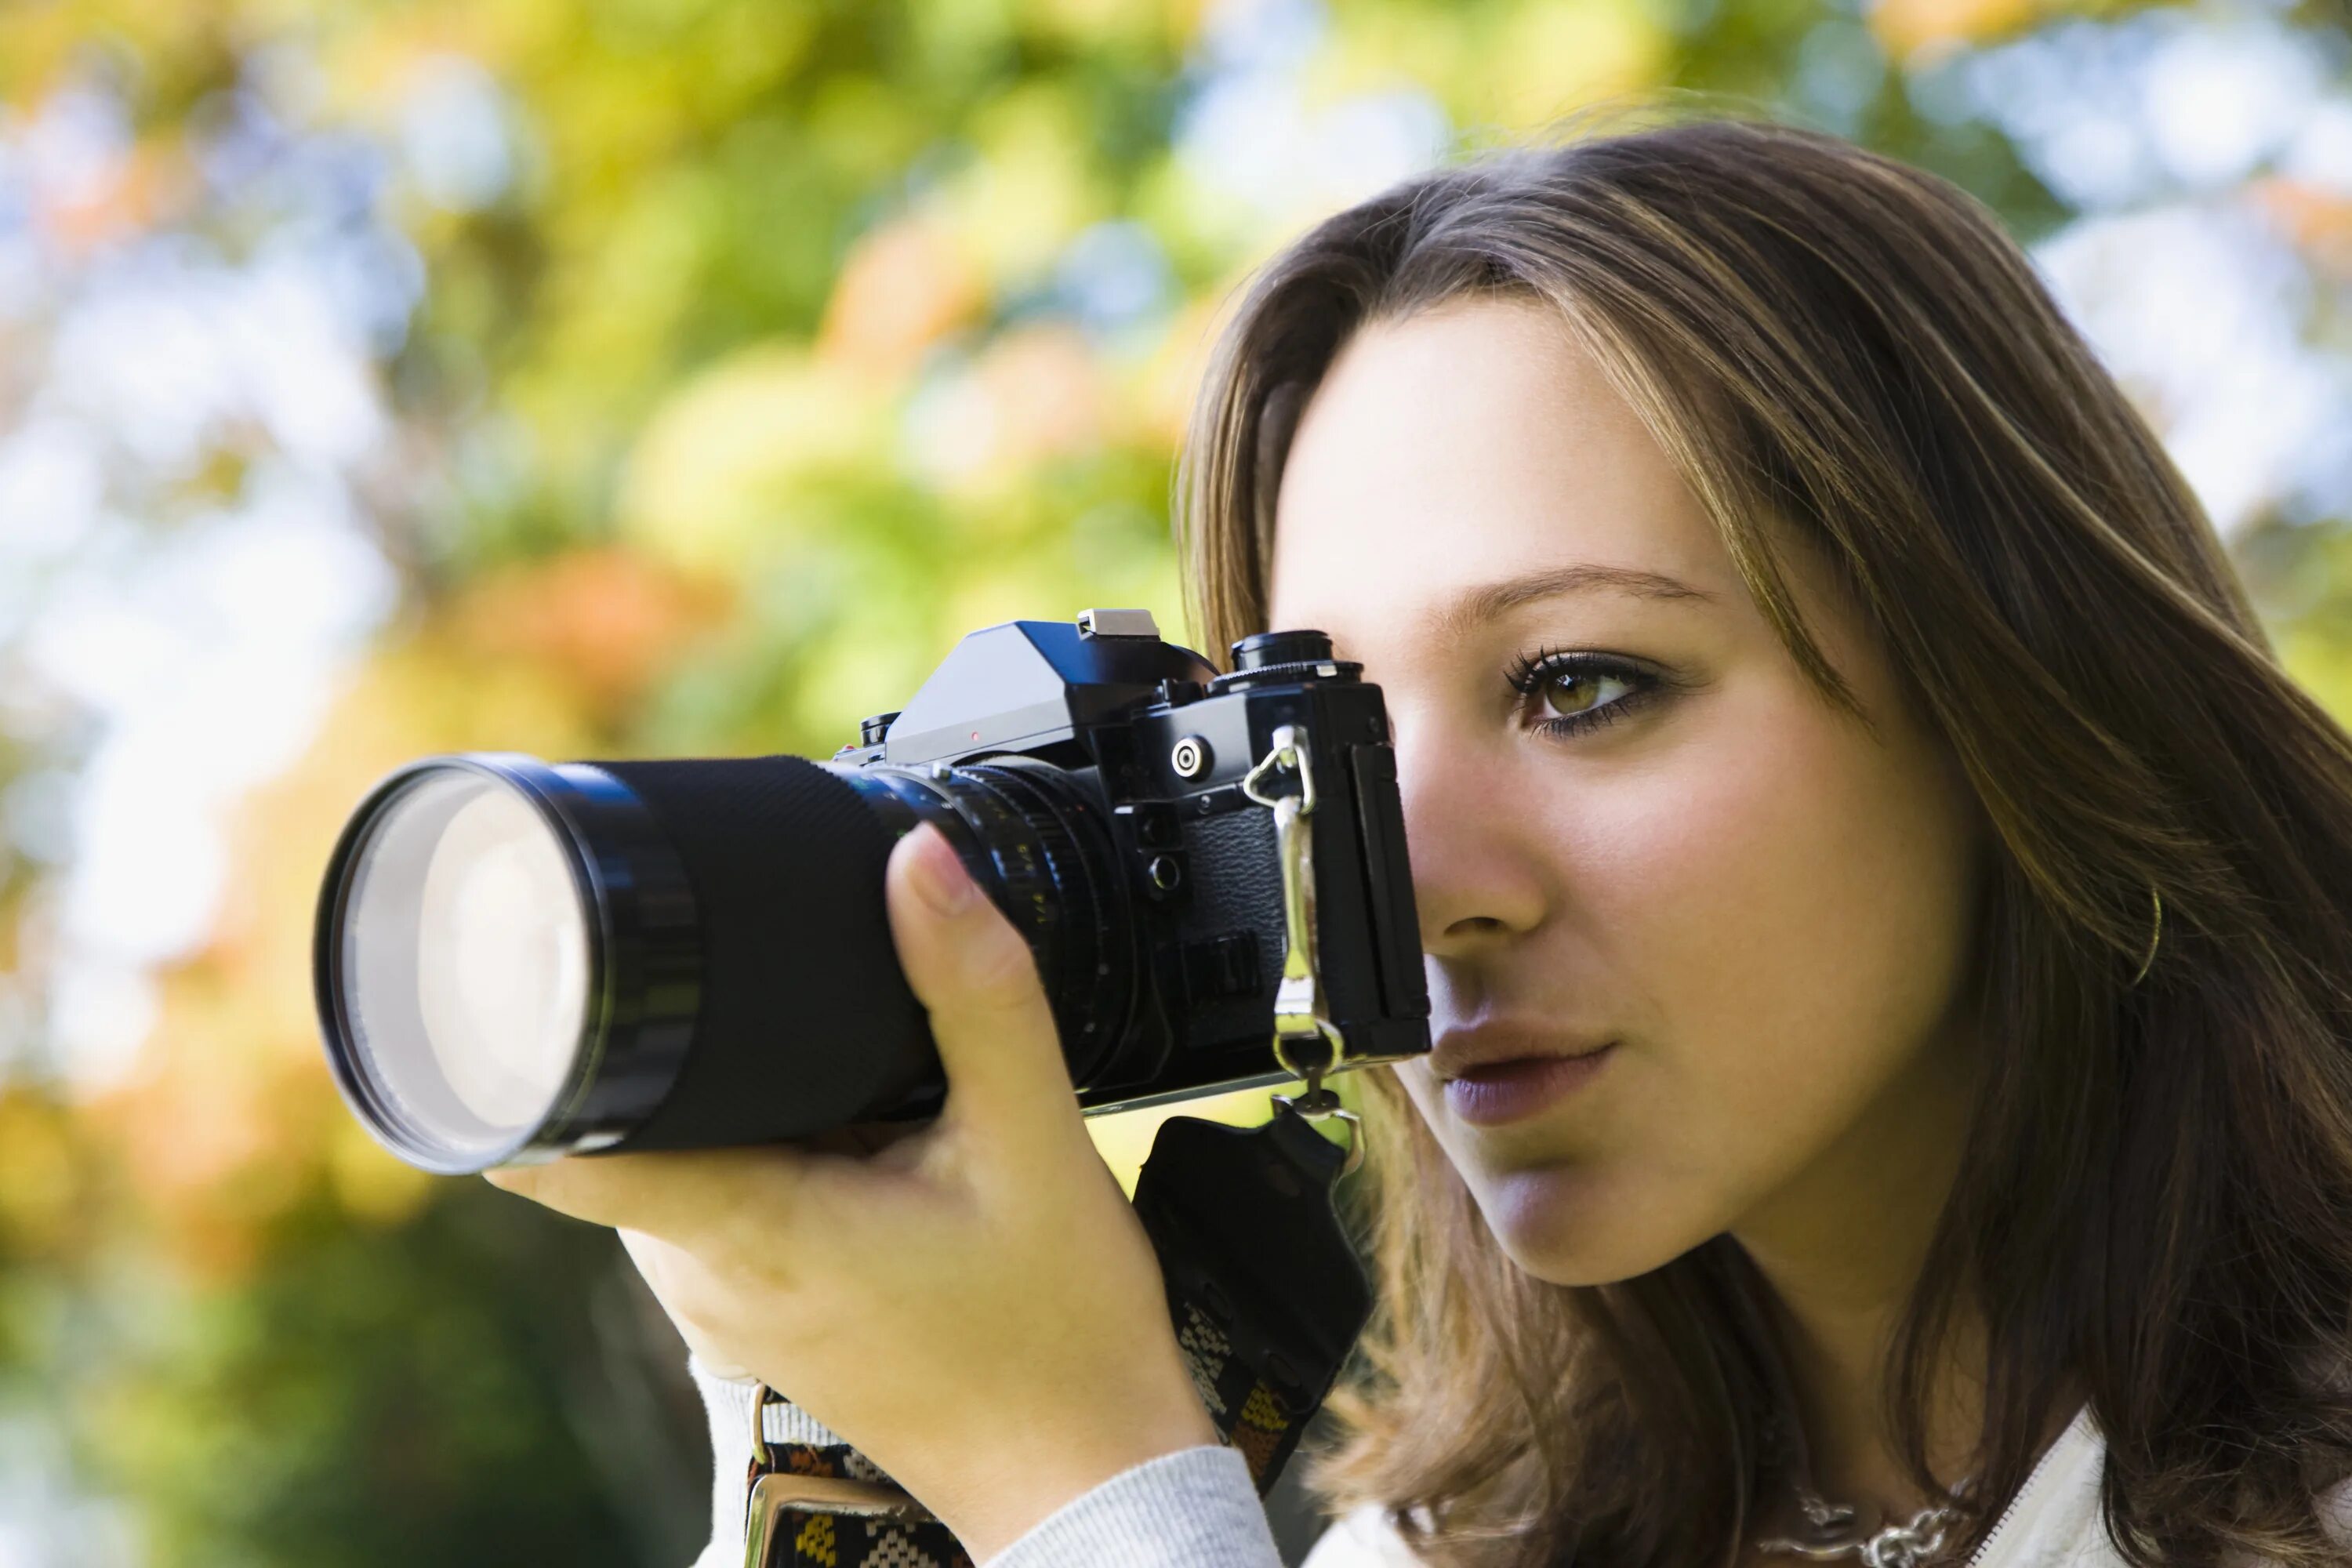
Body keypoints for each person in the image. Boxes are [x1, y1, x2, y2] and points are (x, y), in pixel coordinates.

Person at [483, 115, 2352, 1567]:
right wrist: (862, 1479)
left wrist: (1089, 1486)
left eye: (1578, 683)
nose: (1420, 884)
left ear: (2008, 690)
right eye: (1323, 749)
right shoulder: (1441, 1541)